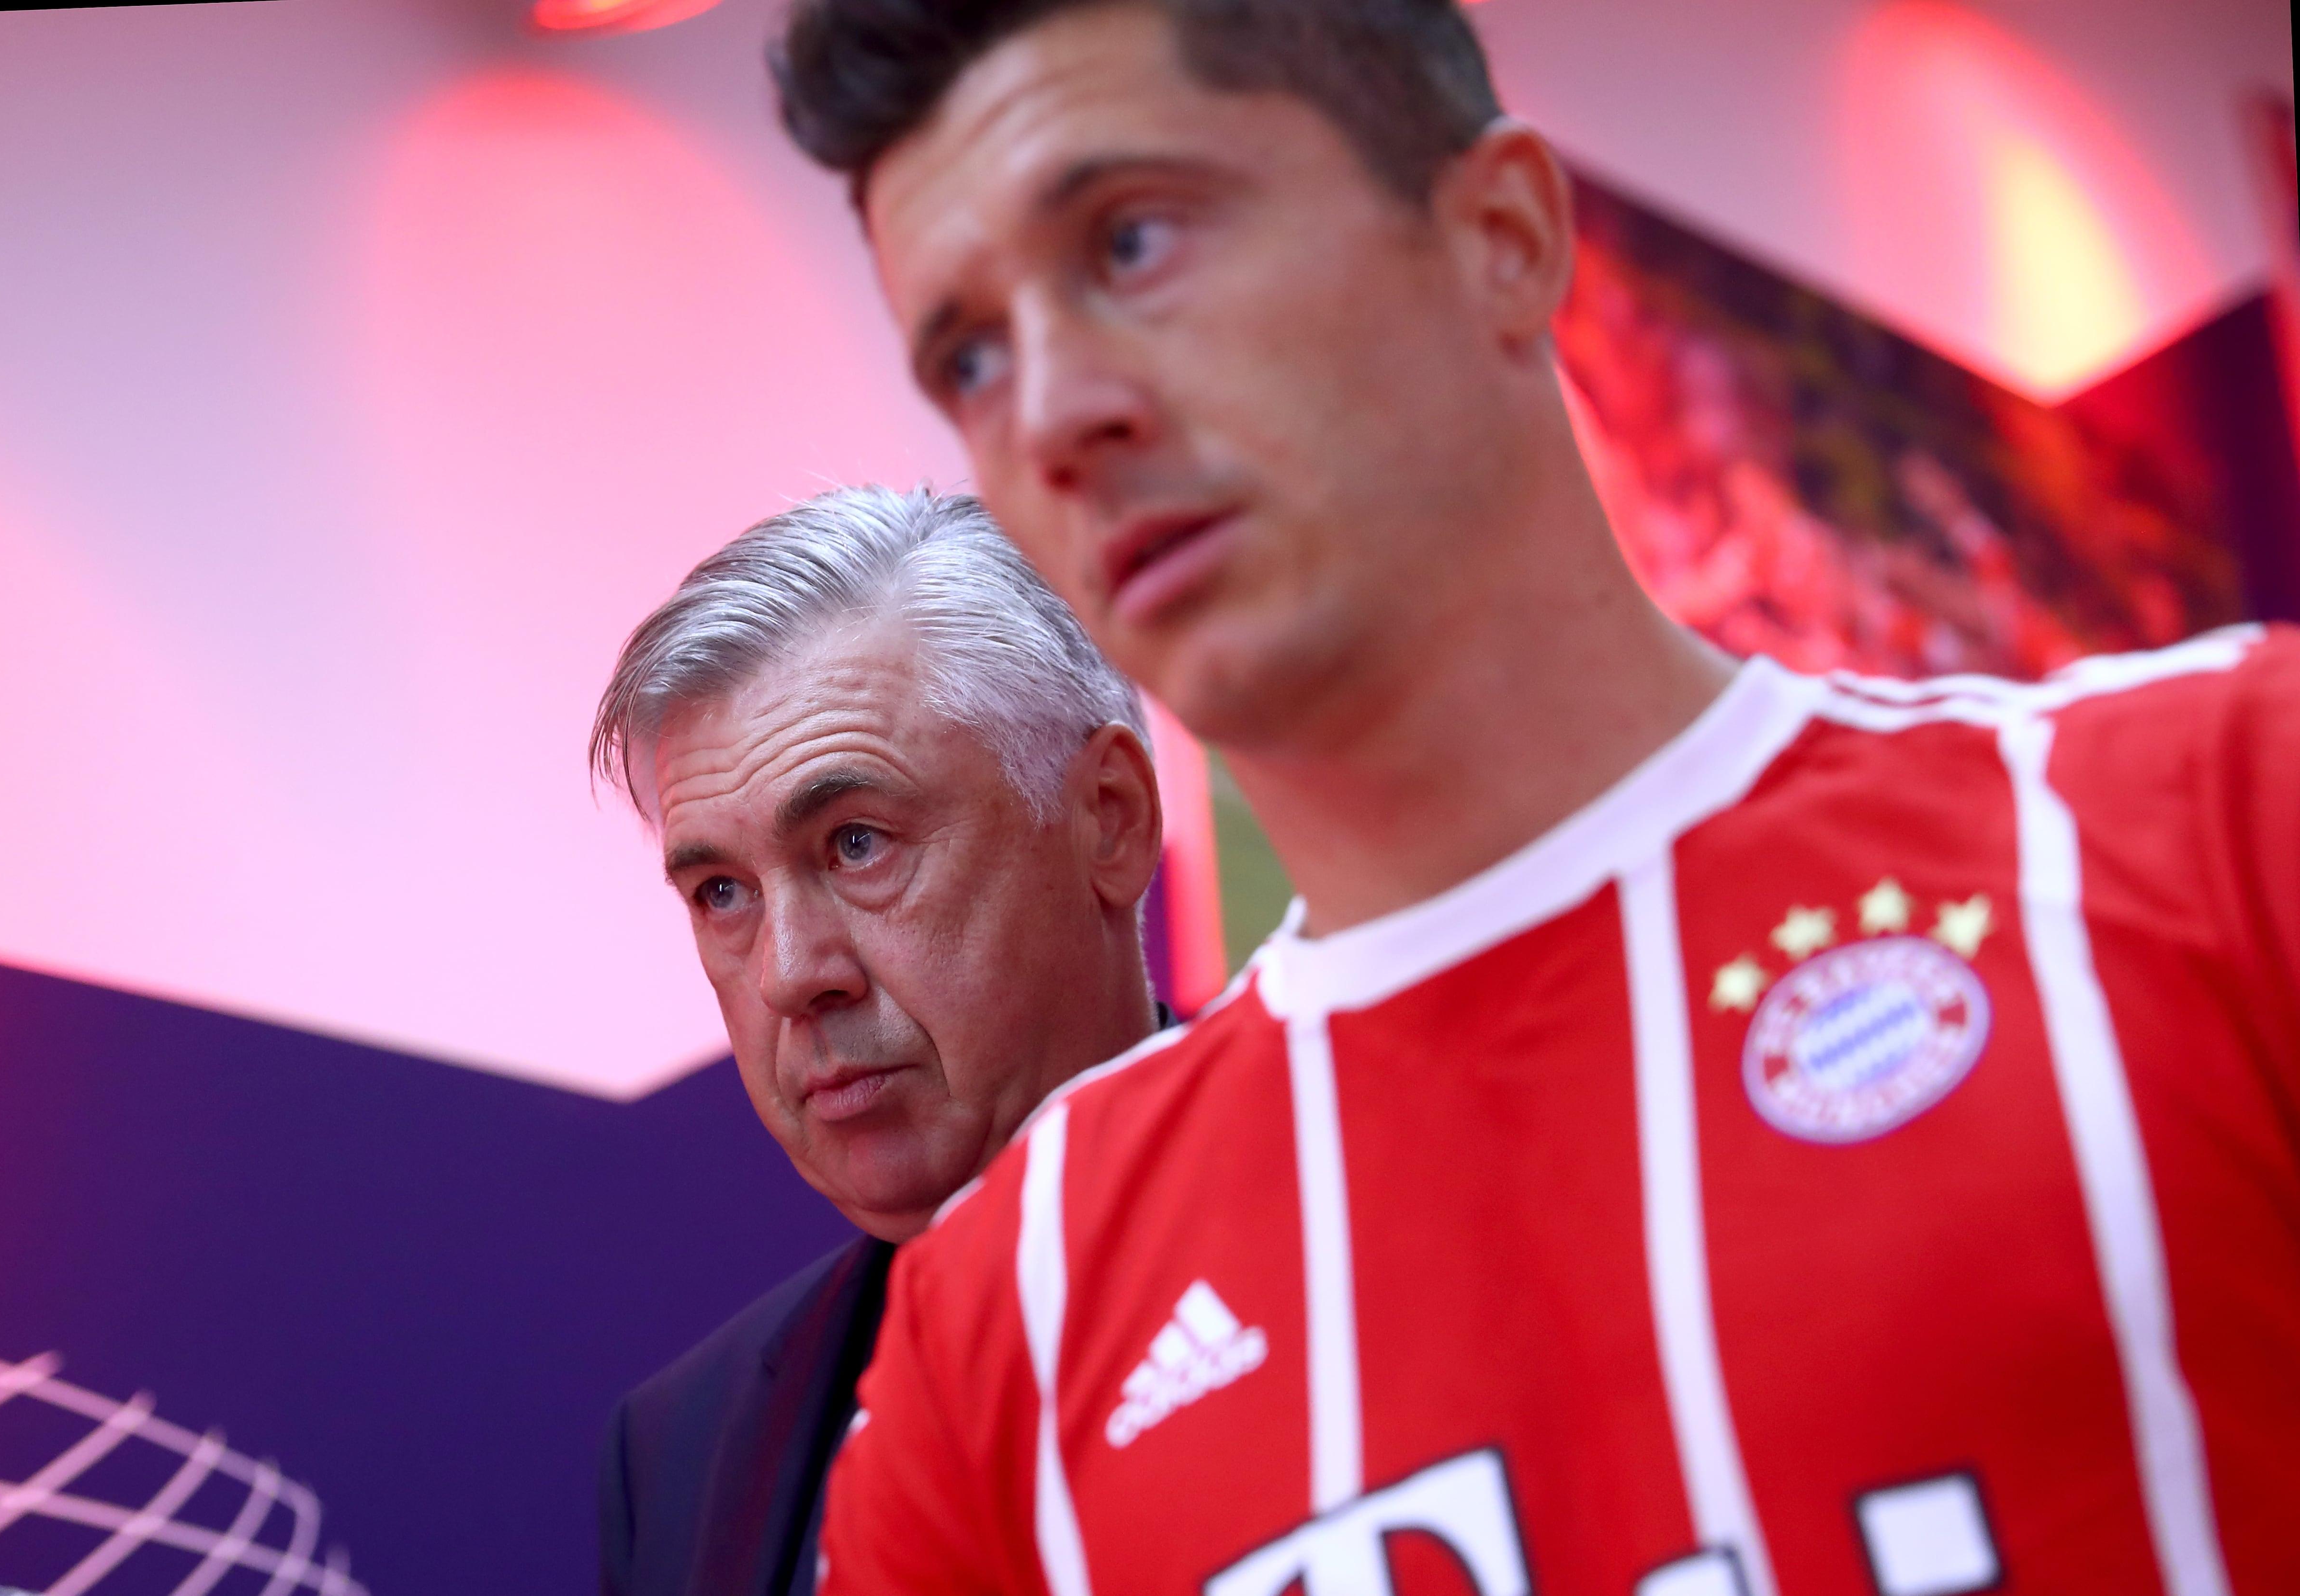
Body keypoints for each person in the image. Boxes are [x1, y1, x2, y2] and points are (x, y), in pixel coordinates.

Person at [770, 2, 2300, 1592]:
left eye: (1134, 239)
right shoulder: (1007, 1321)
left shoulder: (2217, 824)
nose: (1055, 412)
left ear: (1499, 234)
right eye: (969, 355)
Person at [588, 485, 1167, 1596]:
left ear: (1110, 816)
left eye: (856, 843)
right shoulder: (678, 1455)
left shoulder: (1372, 1221)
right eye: (720, 890)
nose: (792, 970)